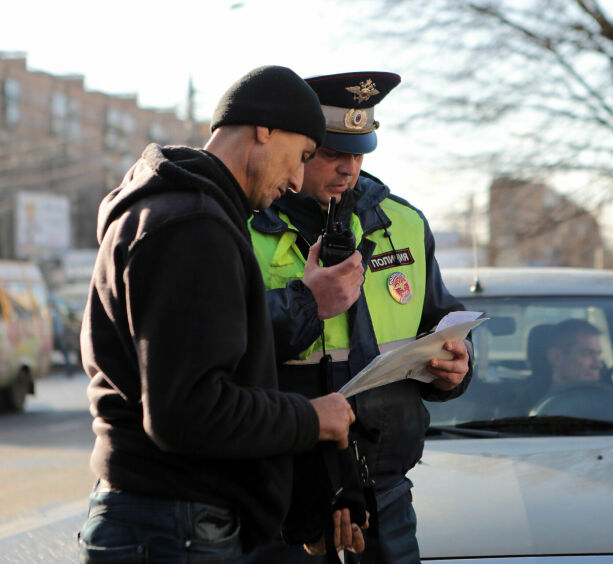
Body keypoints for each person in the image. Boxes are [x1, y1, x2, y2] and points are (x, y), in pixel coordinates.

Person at [77, 66, 364, 562]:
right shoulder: (193, 226)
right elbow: (187, 411)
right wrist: (311, 417)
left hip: (162, 519)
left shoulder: (170, 211)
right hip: (175, 526)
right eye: (301, 157)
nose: (296, 180)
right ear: (264, 128)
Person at [249, 71, 473, 563]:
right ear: (303, 147)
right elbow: (223, 341)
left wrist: (457, 364)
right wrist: (307, 302)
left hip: (382, 493)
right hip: (280, 497)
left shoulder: (403, 222)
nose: (348, 169)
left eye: (359, 152)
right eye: (332, 153)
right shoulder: (246, 225)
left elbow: (439, 315)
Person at [546, 318, 603, 388]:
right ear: (556, 357)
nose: (598, 365)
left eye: (598, 354)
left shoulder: (608, 395)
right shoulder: (533, 397)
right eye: (587, 353)